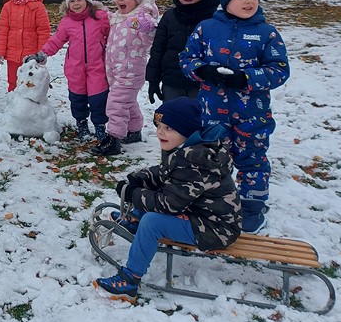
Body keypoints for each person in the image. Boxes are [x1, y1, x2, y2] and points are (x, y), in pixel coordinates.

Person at [93, 97, 241, 301]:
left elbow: (169, 204)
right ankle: (136, 221)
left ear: (187, 131)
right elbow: (166, 173)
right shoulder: (187, 150)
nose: (160, 132)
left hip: (215, 229)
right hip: (199, 214)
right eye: (159, 126)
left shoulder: (195, 162)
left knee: (152, 222)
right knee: (152, 192)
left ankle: (130, 279)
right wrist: (140, 178)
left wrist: (134, 194)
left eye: (169, 128)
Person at [180, 0, 290, 233]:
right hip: (213, 111)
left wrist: (246, 78)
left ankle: (253, 205)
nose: (249, 1)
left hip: (252, 113)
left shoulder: (266, 33)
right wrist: (203, 70)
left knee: (252, 158)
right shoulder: (207, 28)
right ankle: (216, 200)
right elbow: (186, 58)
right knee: (213, 157)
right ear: (226, 0)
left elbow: (279, 70)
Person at [31, 0, 109, 142]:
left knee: (98, 99)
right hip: (75, 68)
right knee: (78, 98)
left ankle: (100, 126)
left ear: (87, 0)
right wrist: (43, 54)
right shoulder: (67, 22)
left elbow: (113, 33)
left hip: (97, 66)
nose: (76, 4)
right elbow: (57, 40)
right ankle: (82, 124)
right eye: (72, 1)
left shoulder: (100, 17)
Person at [94, 0, 159, 156]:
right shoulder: (119, 16)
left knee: (116, 103)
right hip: (116, 70)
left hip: (131, 71)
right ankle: (134, 131)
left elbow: (149, 38)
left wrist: (147, 28)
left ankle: (113, 139)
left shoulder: (140, 17)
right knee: (127, 102)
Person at [146, 0, 218, 103]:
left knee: (199, 115)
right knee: (174, 115)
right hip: (172, 82)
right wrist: (153, 79)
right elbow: (158, 49)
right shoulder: (170, 16)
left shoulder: (213, 18)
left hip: (202, 83)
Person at [0, 0, 51, 92]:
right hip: (13, 54)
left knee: (31, 83)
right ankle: (13, 102)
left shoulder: (38, 6)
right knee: (13, 82)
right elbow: (3, 30)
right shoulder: (8, 7)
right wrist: (0, 51)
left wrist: (41, 53)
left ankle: (32, 104)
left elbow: (43, 31)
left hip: (31, 56)